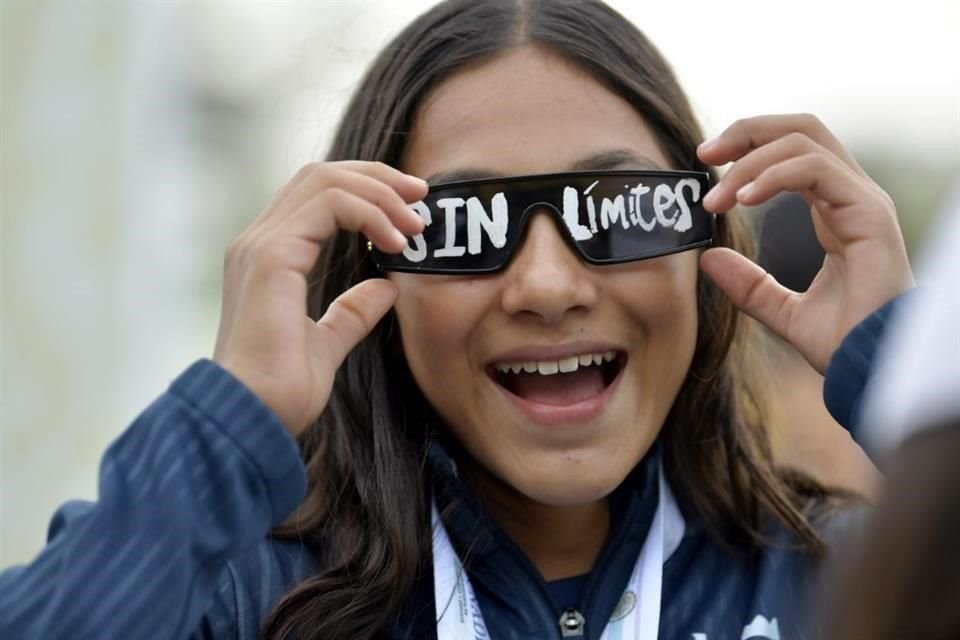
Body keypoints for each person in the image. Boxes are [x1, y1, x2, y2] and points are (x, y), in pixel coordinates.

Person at [0, 1, 915, 639]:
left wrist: (906, 388)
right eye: (465, 226)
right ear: (369, 269)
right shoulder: (252, 595)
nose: (548, 285)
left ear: (703, 248)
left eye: (617, 209)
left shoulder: (848, 581)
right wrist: (227, 427)